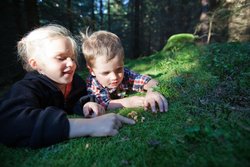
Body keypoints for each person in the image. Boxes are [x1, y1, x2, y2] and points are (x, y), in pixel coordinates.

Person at [0, 24, 135, 149]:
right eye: (61, 58)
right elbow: (9, 123)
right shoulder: (26, 88)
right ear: (36, 64)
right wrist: (88, 126)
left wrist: (86, 105)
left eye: (72, 57)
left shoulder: (76, 83)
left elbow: (78, 100)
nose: (71, 63)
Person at [81, 30, 168, 112]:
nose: (114, 77)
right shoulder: (93, 83)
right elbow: (103, 103)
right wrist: (127, 102)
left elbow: (149, 81)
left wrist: (152, 91)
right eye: (106, 73)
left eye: (118, 69)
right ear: (92, 71)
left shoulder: (125, 74)